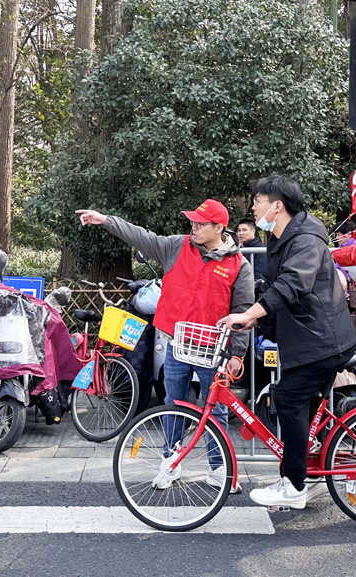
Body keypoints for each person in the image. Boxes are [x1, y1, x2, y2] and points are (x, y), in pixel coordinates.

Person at [76, 200, 253, 492]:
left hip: (213, 348)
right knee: (173, 404)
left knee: (216, 409)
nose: (193, 227)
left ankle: (218, 468)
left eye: (200, 223)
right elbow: (141, 236)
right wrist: (105, 219)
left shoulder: (238, 265)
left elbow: (244, 311)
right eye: (192, 222)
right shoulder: (176, 246)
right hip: (177, 344)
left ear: (219, 227)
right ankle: (171, 462)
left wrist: (237, 354)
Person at [220, 175, 356, 509]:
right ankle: (305, 472)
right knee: (299, 403)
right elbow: (275, 287)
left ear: (277, 205)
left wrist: (251, 311)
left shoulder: (306, 239)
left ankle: (294, 485)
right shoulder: (281, 237)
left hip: (323, 341)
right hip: (311, 338)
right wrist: (255, 315)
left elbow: (293, 284)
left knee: (286, 397)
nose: (253, 207)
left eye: (258, 200)